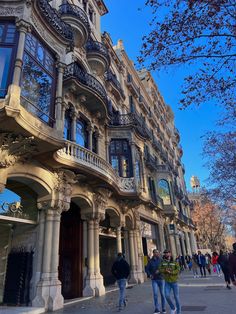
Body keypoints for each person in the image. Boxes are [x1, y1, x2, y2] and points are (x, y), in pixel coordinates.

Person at [159, 249, 181, 314]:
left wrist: (171, 272)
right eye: (165, 253)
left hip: (174, 282)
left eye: (167, 253)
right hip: (167, 282)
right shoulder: (163, 262)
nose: (166, 254)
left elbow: (178, 269)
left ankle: (178, 312)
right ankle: (173, 307)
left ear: (170, 253)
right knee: (166, 296)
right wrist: (165, 270)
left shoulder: (174, 261)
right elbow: (160, 269)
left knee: (176, 297)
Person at [146, 249, 166, 314]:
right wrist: (149, 275)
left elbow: (165, 268)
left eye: (157, 252)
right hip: (154, 280)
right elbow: (147, 269)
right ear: (153, 253)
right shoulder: (150, 261)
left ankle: (163, 308)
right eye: (156, 252)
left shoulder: (161, 260)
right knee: (155, 294)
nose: (157, 253)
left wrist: (160, 271)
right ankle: (157, 308)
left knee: (162, 294)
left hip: (161, 279)